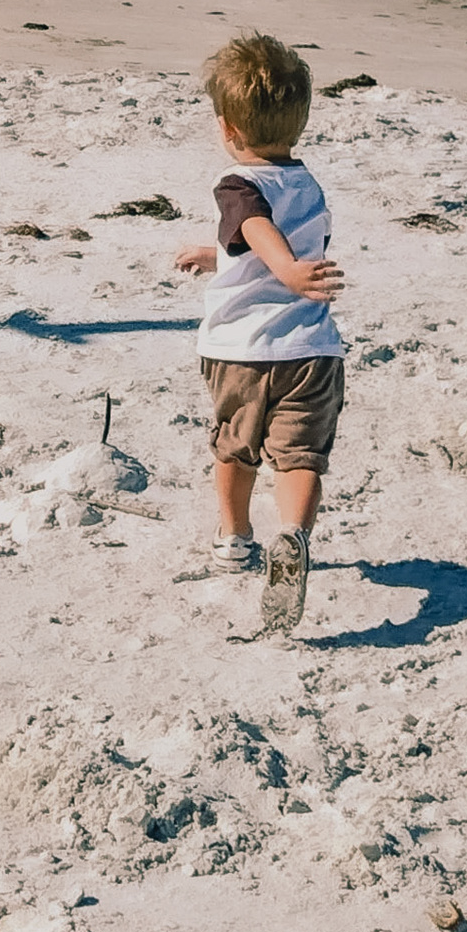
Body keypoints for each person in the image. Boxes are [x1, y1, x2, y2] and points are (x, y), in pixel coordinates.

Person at [173, 31, 346, 634]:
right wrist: (218, 255)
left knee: (235, 447)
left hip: (241, 352)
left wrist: (287, 270)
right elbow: (259, 239)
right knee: (300, 457)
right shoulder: (307, 183)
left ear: (228, 128)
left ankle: (235, 538)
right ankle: (293, 536)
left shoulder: (237, 183)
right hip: (311, 351)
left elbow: (257, 227)